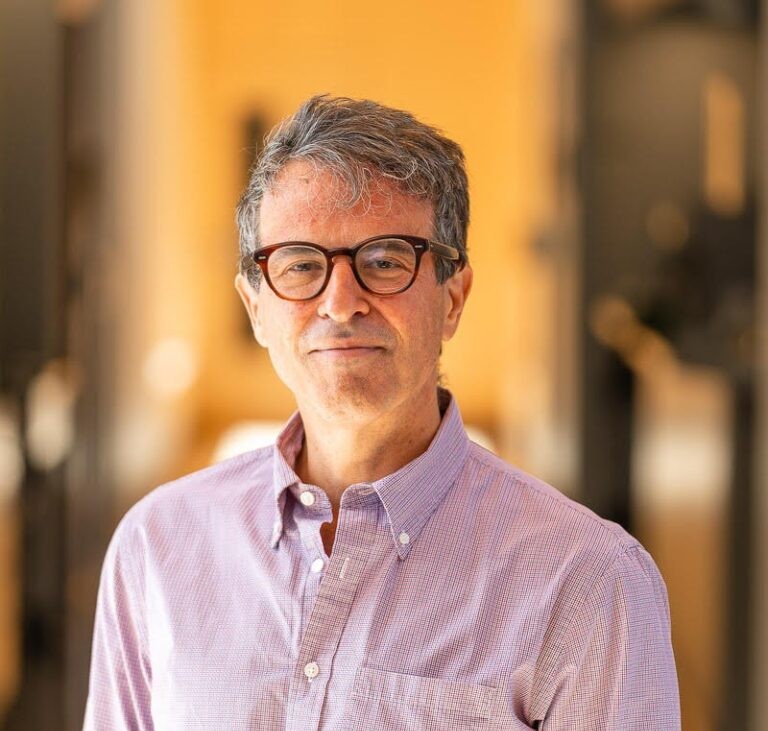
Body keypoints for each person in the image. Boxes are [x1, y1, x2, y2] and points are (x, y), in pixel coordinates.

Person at [84, 95, 680, 730]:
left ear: (453, 298)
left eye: (385, 261)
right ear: (256, 308)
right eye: (300, 265)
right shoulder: (157, 547)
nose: (341, 303)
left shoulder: (587, 581)